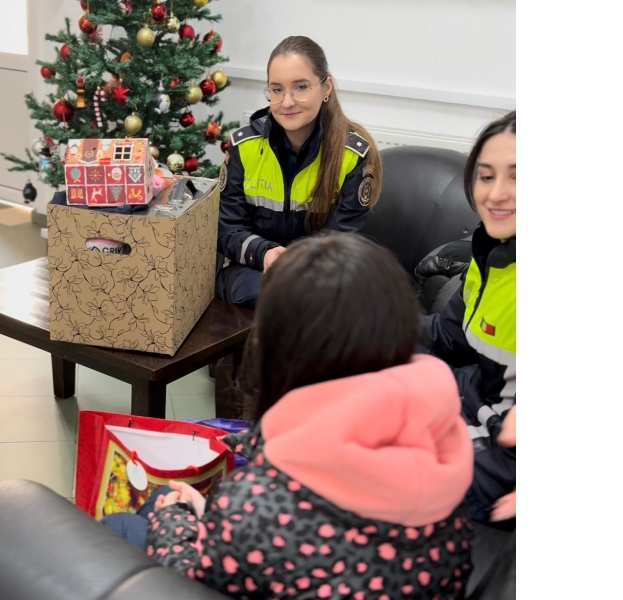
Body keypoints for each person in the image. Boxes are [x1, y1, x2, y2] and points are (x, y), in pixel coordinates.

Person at [106, 233, 475, 599]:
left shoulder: (256, 502)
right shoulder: (445, 450)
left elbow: (194, 573)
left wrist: (176, 518)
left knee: (126, 522)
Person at [215, 36, 382, 309]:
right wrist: (266, 253)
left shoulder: (353, 155)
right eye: (276, 89)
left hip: (321, 272)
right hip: (255, 269)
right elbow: (227, 229)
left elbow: (340, 239)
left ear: (326, 87)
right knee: (261, 294)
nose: (287, 102)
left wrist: (293, 263)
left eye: (301, 87)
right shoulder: (244, 147)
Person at [420, 111, 516, 526]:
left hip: (501, 454)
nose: (496, 194)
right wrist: (372, 323)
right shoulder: (492, 252)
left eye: (518, 178)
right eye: (486, 176)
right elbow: (450, 335)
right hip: (475, 402)